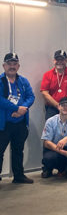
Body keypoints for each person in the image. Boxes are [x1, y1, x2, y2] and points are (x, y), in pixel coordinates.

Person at [0, 53, 35, 184]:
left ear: (18, 66)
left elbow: (31, 97)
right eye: (9, 64)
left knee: (18, 150)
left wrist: (22, 109)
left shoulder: (23, 81)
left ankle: (19, 176)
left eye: (15, 64)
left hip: (20, 123)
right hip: (4, 124)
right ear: (4, 65)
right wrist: (16, 109)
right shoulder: (0, 81)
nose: (12, 66)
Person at [41, 50, 67, 120]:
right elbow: (44, 93)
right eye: (57, 59)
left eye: (62, 59)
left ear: (66, 61)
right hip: (52, 109)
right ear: (54, 61)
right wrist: (58, 106)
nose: (59, 62)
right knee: (51, 129)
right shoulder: (47, 75)